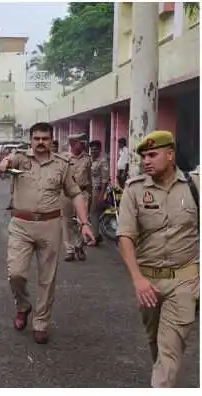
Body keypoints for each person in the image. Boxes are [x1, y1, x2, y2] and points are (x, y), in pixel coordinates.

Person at [0, 122, 95, 344]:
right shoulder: (20, 158)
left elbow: (76, 193)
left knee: (47, 279)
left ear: (51, 140)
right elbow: (5, 164)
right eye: (37, 139)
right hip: (21, 225)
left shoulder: (62, 165)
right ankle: (23, 305)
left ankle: (41, 322)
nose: (40, 143)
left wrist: (84, 223)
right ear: (31, 140)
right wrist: (3, 163)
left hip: (50, 226)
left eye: (45, 139)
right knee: (16, 274)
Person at [116, 130, 199, 388]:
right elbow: (125, 237)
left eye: (153, 155)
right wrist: (138, 279)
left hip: (185, 280)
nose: (146, 161)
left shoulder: (195, 186)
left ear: (170, 155)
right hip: (148, 282)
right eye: (143, 156)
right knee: (156, 343)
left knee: (169, 347)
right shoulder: (134, 190)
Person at [61, 133, 92, 261]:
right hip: (67, 193)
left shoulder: (87, 158)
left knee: (82, 221)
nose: (83, 144)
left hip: (82, 192)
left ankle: (79, 246)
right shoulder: (64, 158)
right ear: (73, 144)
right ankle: (69, 250)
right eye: (80, 142)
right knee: (66, 221)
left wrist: (90, 195)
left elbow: (89, 178)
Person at [89, 139, 110, 245]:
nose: (93, 151)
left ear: (100, 150)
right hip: (88, 190)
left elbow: (105, 181)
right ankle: (93, 234)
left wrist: (101, 195)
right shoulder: (90, 160)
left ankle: (96, 237)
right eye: (92, 149)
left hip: (97, 190)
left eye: (96, 149)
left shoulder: (103, 161)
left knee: (94, 213)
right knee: (89, 213)